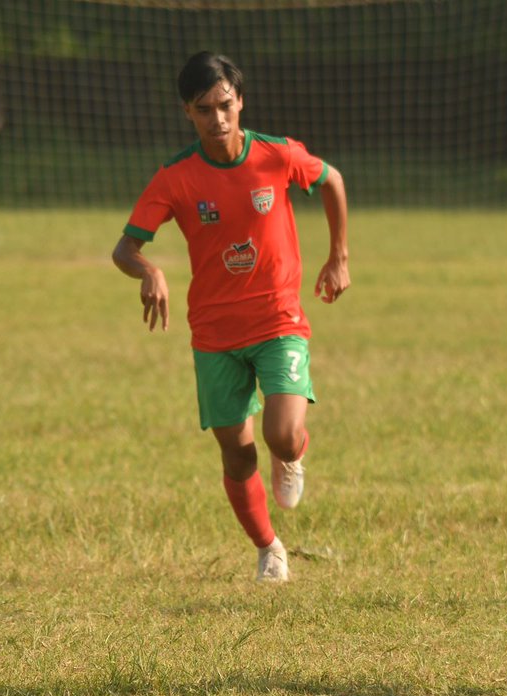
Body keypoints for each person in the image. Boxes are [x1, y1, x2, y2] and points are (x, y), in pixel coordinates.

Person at [112, 52, 350, 582]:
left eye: (225, 105)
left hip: (278, 319)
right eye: (204, 110)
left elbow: (331, 180)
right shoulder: (175, 177)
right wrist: (148, 270)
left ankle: (292, 456)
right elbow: (124, 249)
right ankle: (269, 547)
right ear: (187, 112)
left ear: (240, 101)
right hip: (215, 335)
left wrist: (339, 256)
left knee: (282, 434)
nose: (218, 119)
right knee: (237, 457)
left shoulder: (276, 155)